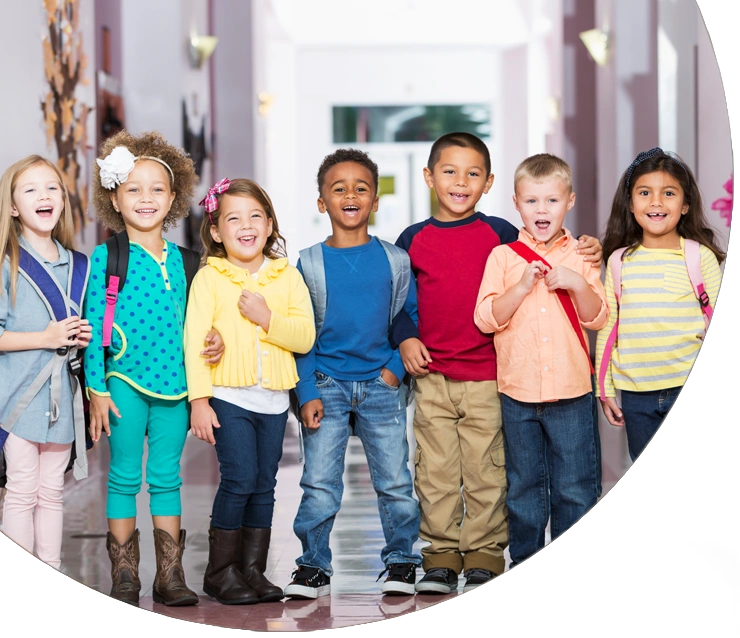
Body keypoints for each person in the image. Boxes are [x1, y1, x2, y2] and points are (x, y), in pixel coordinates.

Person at [392, 134, 603, 592]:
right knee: (436, 470)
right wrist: (405, 339)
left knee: (489, 470)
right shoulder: (412, 240)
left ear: (487, 184)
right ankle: (441, 555)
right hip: (433, 376)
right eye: (449, 171)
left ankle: (486, 552)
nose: (460, 182)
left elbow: (548, 244)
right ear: (429, 177)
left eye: (472, 174)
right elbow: (396, 304)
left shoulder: (503, 235)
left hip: (492, 375)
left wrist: (590, 248)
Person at [84, 131, 223, 607]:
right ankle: (125, 574)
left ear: (175, 196)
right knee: (124, 475)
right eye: (134, 189)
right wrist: (96, 389)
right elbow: (94, 331)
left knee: (166, 477)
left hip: (176, 388)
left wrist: (215, 340)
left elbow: (202, 324)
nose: (146, 198)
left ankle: (170, 574)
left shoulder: (190, 262)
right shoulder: (109, 257)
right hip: (123, 382)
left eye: (157, 189)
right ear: (115, 198)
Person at [285, 149, 422, 599]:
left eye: (361, 188)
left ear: (376, 200)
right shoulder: (307, 264)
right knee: (320, 484)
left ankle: (402, 559)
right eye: (338, 188)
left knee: (396, 482)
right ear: (322, 202)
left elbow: (410, 317)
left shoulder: (395, 260)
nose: (350, 194)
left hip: (381, 386)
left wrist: (395, 371)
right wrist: (306, 390)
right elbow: (302, 334)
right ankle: (313, 566)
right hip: (326, 383)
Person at [184, 178, 315, 605]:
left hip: (274, 399)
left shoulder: (286, 276)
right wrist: (199, 401)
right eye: (233, 217)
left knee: (264, 483)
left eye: (256, 215)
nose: (246, 225)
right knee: (239, 479)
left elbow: (304, 337)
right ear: (217, 230)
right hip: (228, 396)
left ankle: (252, 569)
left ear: (270, 223)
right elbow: (195, 339)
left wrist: (265, 316)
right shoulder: (210, 277)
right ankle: (220, 572)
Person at [474, 152, 608, 567]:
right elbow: (485, 318)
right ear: (516, 203)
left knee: (576, 486)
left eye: (551, 200)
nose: (541, 210)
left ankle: (572, 566)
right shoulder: (502, 257)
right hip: (518, 394)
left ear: (568, 201)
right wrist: (518, 287)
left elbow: (598, 316)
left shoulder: (583, 256)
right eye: (531, 201)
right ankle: (527, 564)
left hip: (572, 392)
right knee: (525, 487)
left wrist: (574, 284)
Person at [595, 148, 724, 461]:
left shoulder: (698, 257)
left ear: (685, 205)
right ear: (630, 203)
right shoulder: (618, 261)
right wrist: (604, 387)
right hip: (637, 396)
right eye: (644, 193)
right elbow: (610, 327)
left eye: (668, 193)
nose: (656, 202)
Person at [0, 155, 92, 569]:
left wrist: (80, 339)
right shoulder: (7, 263)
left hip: (62, 402)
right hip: (15, 399)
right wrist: (46, 337)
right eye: (31, 189)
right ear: (14, 206)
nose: (45, 196)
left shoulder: (79, 265)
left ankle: (50, 576)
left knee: (52, 490)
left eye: (52, 187)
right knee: (21, 488)